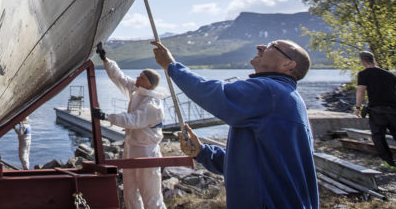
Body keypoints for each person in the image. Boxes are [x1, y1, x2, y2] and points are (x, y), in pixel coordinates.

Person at [151, 39, 319, 209]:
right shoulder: (283, 97)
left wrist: (172, 66)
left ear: (288, 64)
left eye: (271, 46)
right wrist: (203, 152)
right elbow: (249, 164)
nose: (259, 46)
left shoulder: (270, 91)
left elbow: (215, 93)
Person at [94, 42, 166, 209]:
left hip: (147, 152)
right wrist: (106, 59)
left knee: (152, 198)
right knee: (130, 194)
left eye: (141, 77)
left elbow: (134, 120)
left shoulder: (153, 105)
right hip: (131, 149)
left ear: (149, 83)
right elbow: (120, 78)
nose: (137, 79)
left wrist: (107, 116)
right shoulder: (138, 92)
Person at [355, 51, 396, 168]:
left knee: (378, 137)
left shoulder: (364, 74)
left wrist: (358, 107)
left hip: (377, 110)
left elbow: (361, 91)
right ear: (373, 59)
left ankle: (390, 161)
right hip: (393, 109)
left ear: (363, 60)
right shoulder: (389, 75)